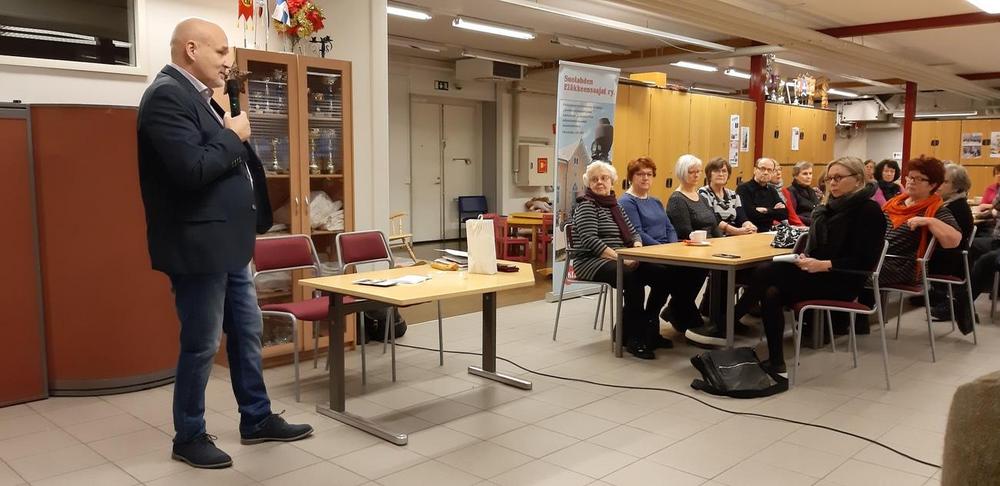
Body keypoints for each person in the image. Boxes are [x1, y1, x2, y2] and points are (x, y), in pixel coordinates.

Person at [137, 18, 312, 469]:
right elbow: (191, 170)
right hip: (199, 247)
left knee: (247, 332)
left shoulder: (201, 99)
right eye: (220, 53)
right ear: (191, 49)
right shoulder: (166, 97)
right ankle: (188, 435)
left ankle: (256, 418)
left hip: (229, 244)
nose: (227, 63)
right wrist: (233, 135)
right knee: (201, 343)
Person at [732, 157, 888, 374]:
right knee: (770, 292)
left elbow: (865, 260)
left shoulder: (869, 211)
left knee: (766, 270)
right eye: (829, 178)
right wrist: (808, 259)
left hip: (843, 279)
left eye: (838, 178)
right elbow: (822, 248)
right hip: (819, 273)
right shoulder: (829, 207)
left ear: (858, 179)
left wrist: (824, 264)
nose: (832, 183)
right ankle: (776, 362)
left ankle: (728, 322)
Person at [571, 161, 668, 359]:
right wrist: (622, 258)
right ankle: (635, 339)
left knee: (662, 273)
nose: (600, 182)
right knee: (632, 278)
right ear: (589, 184)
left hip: (620, 257)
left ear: (612, 181)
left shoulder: (615, 205)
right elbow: (591, 241)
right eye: (594, 179)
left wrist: (637, 250)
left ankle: (648, 327)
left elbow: (633, 233)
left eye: (604, 178)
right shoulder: (586, 206)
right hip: (592, 261)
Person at [619, 157, 703, 336]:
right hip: (646, 254)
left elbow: (669, 227)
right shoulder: (627, 202)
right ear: (631, 177)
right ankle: (659, 318)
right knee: (670, 275)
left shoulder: (655, 201)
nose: (645, 178)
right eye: (640, 174)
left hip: (665, 251)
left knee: (697, 268)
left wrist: (672, 247)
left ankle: (668, 313)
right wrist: (663, 250)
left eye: (649, 174)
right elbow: (637, 233)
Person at [928, 163, 975, 332]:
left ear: (956, 187)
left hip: (948, 261)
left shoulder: (955, 208)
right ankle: (938, 296)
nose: (938, 185)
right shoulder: (952, 203)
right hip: (954, 259)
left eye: (944, 182)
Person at [698, 157, 757, 236]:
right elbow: (713, 219)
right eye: (716, 171)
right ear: (709, 174)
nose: (721, 174)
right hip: (714, 236)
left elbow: (741, 217)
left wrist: (749, 226)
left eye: (724, 171)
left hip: (733, 236)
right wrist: (736, 231)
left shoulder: (733, 194)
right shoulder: (703, 193)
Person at [668, 155, 722, 239]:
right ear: (682, 173)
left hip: (710, 242)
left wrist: (721, 241)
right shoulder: (677, 199)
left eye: (698, 171)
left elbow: (714, 226)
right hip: (694, 243)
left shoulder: (702, 198)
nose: (696, 175)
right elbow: (685, 232)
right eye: (691, 172)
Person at [736, 157, 788, 232]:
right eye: (763, 169)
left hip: (769, 231)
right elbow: (750, 214)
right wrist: (773, 211)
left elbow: (784, 213)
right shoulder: (743, 188)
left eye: (769, 170)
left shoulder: (772, 190)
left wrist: (766, 210)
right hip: (750, 231)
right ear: (755, 170)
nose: (766, 172)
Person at [787, 161, 822, 226]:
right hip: (802, 226)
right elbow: (792, 216)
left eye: (810, 173)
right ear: (795, 176)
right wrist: (813, 221)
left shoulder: (812, 191)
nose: (809, 176)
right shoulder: (790, 191)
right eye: (805, 174)